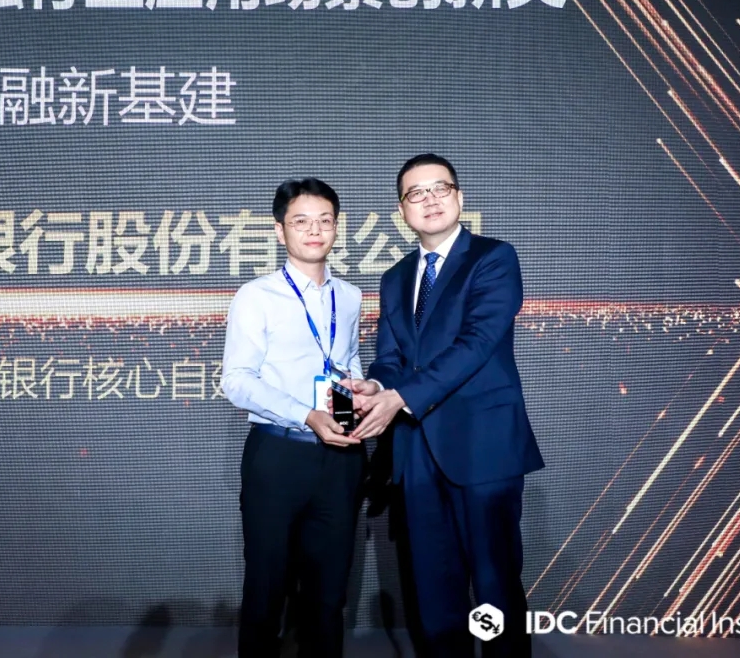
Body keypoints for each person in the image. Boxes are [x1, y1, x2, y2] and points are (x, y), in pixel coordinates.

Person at [345, 154, 545, 657]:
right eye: (417, 193)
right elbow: (392, 358)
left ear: (459, 197)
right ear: (402, 211)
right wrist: (375, 385)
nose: (430, 199)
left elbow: (477, 343)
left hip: (483, 448)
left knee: (495, 587)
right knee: (433, 591)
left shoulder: (493, 258)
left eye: (441, 188)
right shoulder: (394, 277)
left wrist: (401, 397)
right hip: (415, 452)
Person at [221, 178, 367, 658]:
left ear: (337, 227)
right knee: (267, 591)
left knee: (328, 596)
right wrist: (306, 415)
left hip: (341, 457)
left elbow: (345, 362)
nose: (315, 230)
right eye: (301, 221)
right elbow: (236, 381)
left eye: (325, 221)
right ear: (280, 230)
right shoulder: (256, 295)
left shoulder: (350, 296)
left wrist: (363, 391)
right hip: (278, 455)